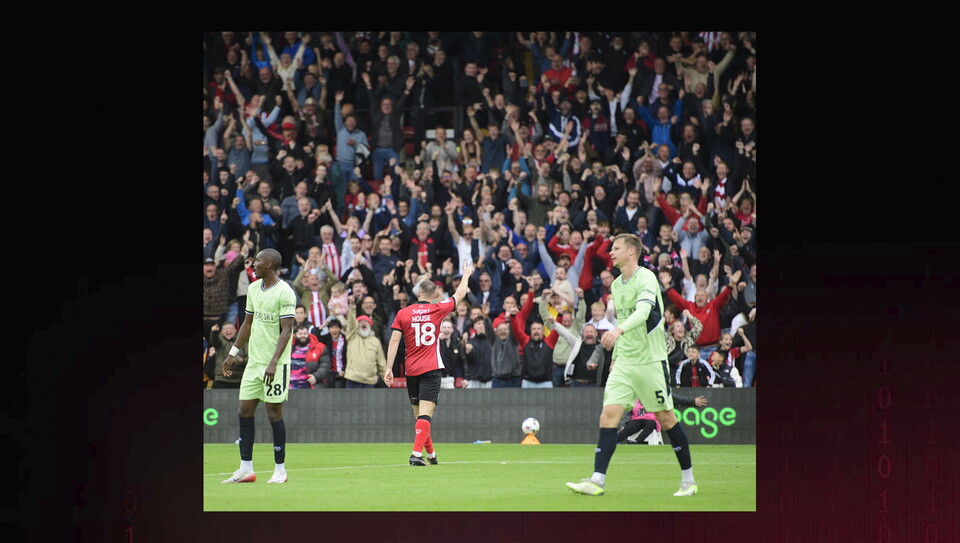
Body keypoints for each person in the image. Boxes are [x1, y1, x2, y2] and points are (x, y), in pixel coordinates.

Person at [566, 234, 698, 497]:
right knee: (609, 416)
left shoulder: (646, 277)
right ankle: (597, 480)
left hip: (650, 361)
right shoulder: (616, 284)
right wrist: (616, 355)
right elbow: (625, 319)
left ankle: (688, 481)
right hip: (625, 362)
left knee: (666, 418)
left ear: (632, 252)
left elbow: (644, 312)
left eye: (616, 248)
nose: (611, 253)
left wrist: (619, 330)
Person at [385, 261, 474, 466]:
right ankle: (416, 455)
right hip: (431, 369)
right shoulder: (437, 309)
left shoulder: (403, 313)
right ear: (434, 295)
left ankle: (431, 455)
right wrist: (466, 274)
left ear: (417, 294)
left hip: (411, 371)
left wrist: (389, 368)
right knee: (426, 415)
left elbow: (394, 341)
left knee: (420, 418)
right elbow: (459, 295)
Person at [220, 248, 297, 485]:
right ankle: (246, 469)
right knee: (244, 411)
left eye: (258, 260)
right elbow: (248, 323)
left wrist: (274, 362)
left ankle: (280, 470)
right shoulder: (253, 288)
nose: (253, 264)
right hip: (253, 363)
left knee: (274, 414)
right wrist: (233, 352)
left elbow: (287, 330)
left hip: (276, 364)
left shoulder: (285, 292)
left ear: (270, 265)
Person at [618, 392, 707, 444]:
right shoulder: (634, 396)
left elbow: (674, 398)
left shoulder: (655, 394)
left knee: (651, 424)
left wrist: (692, 401)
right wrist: (623, 424)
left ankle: (637, 442)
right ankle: (612, 441)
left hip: (650, 420)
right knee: (629, 427)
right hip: (636, 419)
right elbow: (627, 411)